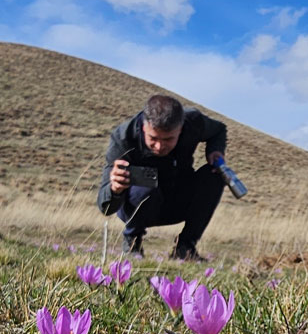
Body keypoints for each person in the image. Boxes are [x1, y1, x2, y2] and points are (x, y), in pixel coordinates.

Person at [97, 95, 228, 260]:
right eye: (153, 138)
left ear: (181, 128)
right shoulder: (122, 138)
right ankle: (132, 243)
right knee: (145, 181)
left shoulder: (194, 121)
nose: (159, 146)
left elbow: (219, 129)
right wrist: (114, 190)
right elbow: (105, 208)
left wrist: (215, 150)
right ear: (144, 127)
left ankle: (185, 248)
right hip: (138, 205)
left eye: (168, 139)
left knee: (214, 175)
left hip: (178, 201)